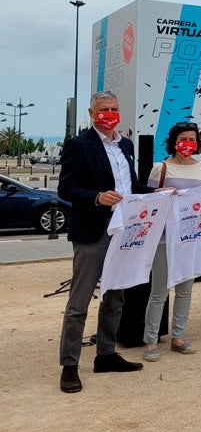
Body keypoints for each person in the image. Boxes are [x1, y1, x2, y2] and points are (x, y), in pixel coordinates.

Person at [57, 90, 155, 393]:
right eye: (103, 109)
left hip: (124, 231)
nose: (109, 114)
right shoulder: (78, 145)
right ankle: (70, 366)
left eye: (113, 109)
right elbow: (66, 188)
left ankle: (106, 354)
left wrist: (158, 192)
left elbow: (130, 186)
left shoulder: (126, 145)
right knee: (79, 301)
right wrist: (97, 197)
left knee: (115, 297)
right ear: (91, 113)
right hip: (93, 232)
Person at [142, 122, 201, 362]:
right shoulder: (161, 168)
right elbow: (148, 199)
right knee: (159, 291)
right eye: (183, 139)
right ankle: (151, 341)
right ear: (174, 142)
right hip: (164, 237)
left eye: (192, 139)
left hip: (190, 238)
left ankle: (178, 337)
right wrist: (161, 194)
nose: (188, 143)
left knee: (185, 290)